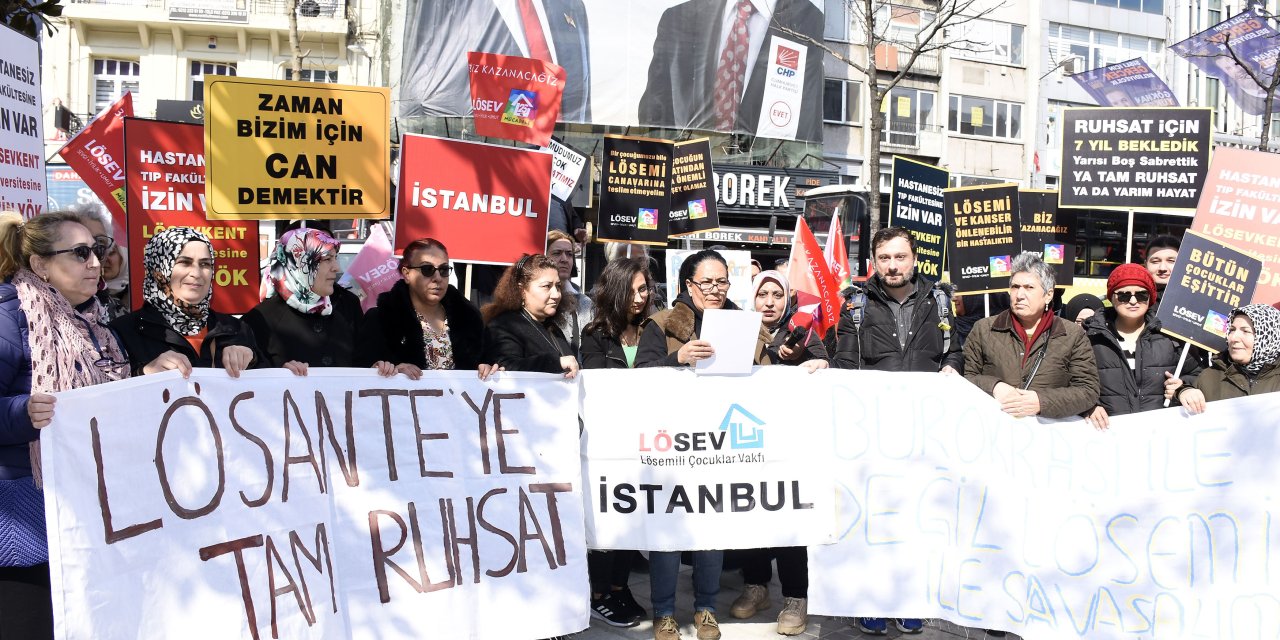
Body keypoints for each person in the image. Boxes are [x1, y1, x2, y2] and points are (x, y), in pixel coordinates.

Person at [0, 211, 130, 640]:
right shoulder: (9, 317)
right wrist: (23, 413)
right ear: (40, 265)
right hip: (26, 517)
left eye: (97, 250)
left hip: (81, 509)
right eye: (79, 253)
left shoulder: (94, 323)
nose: (94, 262)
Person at [635, 250, 771, 640]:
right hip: (672, 444)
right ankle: (663, 612)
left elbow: (767, 373)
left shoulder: (747, 324)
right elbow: (639, 376)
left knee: (712, 526)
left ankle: (706, 608)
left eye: (722, 281)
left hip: (723, 444)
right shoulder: (661, 324)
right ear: (687, 285)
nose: (715, 290)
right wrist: (676, 357)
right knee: (668, 527)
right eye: (706, 282)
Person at [826, 227, 953, 634]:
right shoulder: (856, 305)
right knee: (874, 519)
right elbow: (845, 363)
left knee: (918, 517)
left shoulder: (940, 301)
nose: (893, 266)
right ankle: (872, 598)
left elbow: (956, 356)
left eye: (900, 257)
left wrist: (957, 369)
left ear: (914, 259)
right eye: (885, 258)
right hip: (874, 432)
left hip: (925, 432)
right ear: (874, 263)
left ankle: (910, 597)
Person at [728, 269, 825, 636]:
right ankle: (755, 587)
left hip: (791, 447)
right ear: (751, 299)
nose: (769, 302)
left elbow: (825, 369)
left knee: (789, 523)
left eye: (777, 295)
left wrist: (810, 361)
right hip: (748, 444)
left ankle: (795, 597)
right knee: (752, 517)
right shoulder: (737, 332)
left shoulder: (805, 334)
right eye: (761, 295)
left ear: (788, 299)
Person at [578, 257, 651, 628]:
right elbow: (595, 380)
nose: (640, 298)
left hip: (646, 443)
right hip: (607, 443)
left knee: (632, 519)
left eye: (644, 289)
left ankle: (620, 587)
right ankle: (597, 593)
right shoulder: (595, 333)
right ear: (615, 289)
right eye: (633, 289)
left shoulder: (652, 329)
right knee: (606, 519)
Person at [638, 0, 824, 141]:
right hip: (687, 176)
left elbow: (808, 121)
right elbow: (654, 114)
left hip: (768, 175)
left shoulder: (809, 21)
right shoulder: (677, 19)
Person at [244, 228, 407, 377]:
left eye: (335, 258)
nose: (336, 267)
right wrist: (278, 373)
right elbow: (252, 381)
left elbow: (361, 358)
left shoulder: (347, 303)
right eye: (327, 259)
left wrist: (376, 367)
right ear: (300, 263)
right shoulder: (259, 319)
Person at [963, 252, 1100, 420]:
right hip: (995, 432)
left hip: (1047, 437)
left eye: (1029, 288)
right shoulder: (983, 329)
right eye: (1015, 287)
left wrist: (1041, 402)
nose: (1019, 295)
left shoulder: (1073, 335)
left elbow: (1087, 390)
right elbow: (965, 379)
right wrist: (995, 386)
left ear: (1048, 295)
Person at [111, 227, 259, 378]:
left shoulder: (236, 329)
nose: (196, 273)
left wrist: (252, 359)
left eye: (205, 264)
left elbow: (268, 392)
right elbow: (108, 394)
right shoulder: (122, 332)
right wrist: (144, 372)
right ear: (159, 268)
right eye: (184, 262)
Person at [1082, 264, 1203, 429]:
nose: (1133, 301)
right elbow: (1073, 383)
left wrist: (1183, 388)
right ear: (1111, 297)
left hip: (1160, 435)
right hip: (1106, 436)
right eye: (1124, 295)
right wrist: (1088, 406)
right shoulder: (1090, 337)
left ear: (1151, 297)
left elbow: (1197, 375)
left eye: (1141, 295)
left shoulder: (1170, 337)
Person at [359, 239, 485, 374]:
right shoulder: (381, 319)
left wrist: (489, 369)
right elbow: (357, 374)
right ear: (407, 274)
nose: (438, 277)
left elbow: (488, 361)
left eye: (443, 269)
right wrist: (390, 370)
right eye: (427, 269)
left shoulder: (470, 319)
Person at [1168, 303, 1280, 412]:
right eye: (1231, 330)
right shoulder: (1209, 377)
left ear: (1268, 338)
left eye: (1245, 331)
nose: (1234, 338)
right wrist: (1182, 392)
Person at [481, 254, 579, 377]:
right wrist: (556, 363)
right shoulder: (503, 325)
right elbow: (507, 368)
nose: (556, 294)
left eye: (558, 286)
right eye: (546, 286)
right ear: (522, 290)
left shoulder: (552, 328)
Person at [75, 205, 130, 319]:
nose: (93, 258)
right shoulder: (37, 307)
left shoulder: (119, 314)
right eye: (81, 246)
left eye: (100, 244)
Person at [547, 229, 592, 353]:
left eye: (569, 254)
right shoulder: (530, 301)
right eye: (557, 253)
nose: (564, 259)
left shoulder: (586, 303)